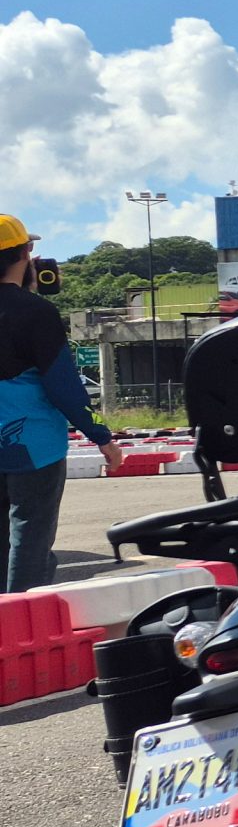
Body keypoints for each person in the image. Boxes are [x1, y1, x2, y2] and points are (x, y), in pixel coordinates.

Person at [0, 215, 122, 590]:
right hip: (30, 444)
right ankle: (18, 624)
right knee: (30, 536)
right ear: (26, 253)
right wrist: (101, 436)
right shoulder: (36, 312)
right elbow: (62, 385)